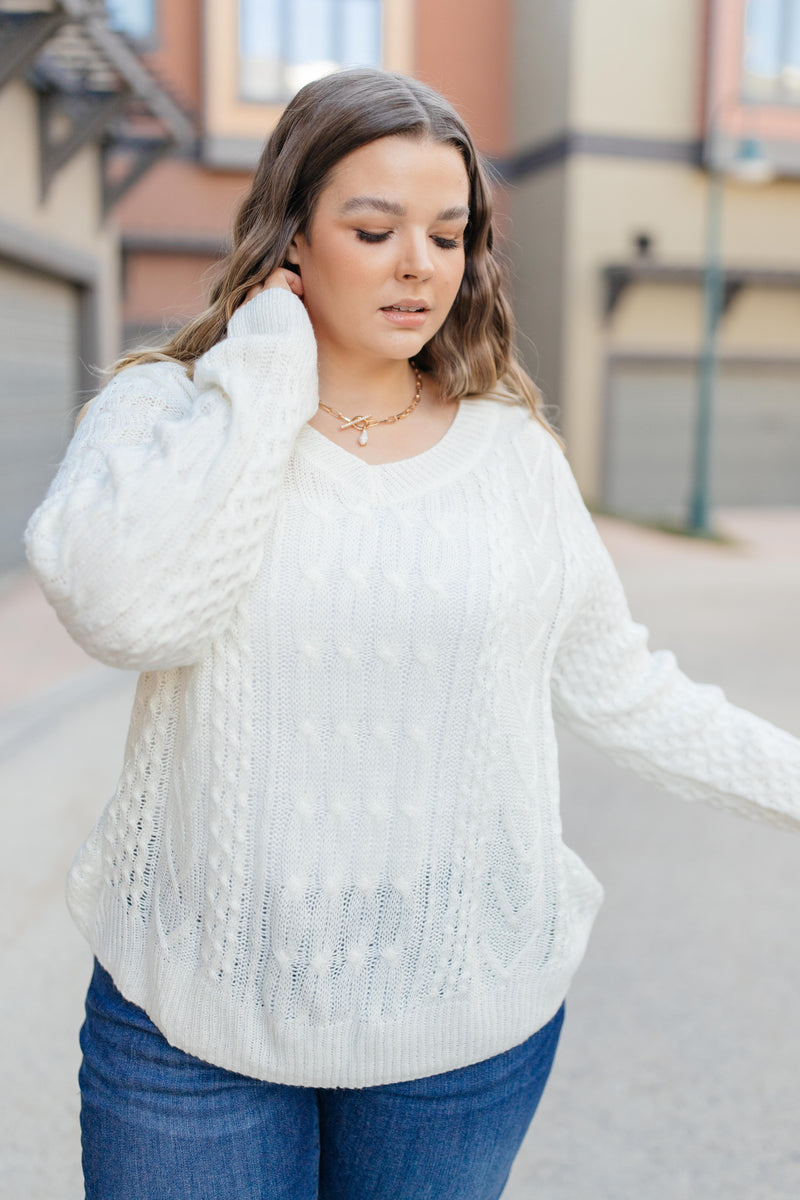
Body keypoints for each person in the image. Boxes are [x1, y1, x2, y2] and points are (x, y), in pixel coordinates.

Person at [24, 67, 800, 1200]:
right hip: (188, 1017)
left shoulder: (510, 457)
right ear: (290, 235)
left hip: (456, 1025)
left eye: (448, 233)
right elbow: (130, 613)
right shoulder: (167, 412)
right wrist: (269, 360)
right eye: (373, 227)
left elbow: (621, 687)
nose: (417, 265)